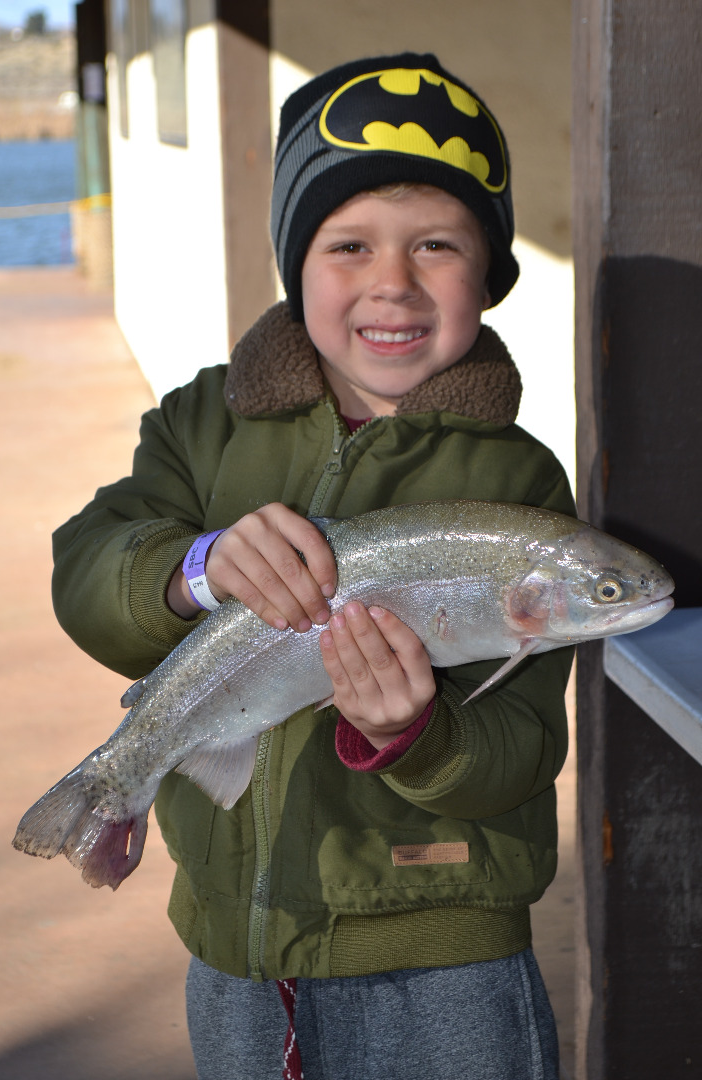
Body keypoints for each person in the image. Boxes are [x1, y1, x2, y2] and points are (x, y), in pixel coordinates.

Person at [52, 53, 574, 1080]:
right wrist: (193, 568)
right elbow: (87, 571)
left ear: (490, 271)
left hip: (446, 946)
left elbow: (523, 746)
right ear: (297, 265)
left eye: (438, 244)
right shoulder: (205, 424)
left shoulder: (521, 488)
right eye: (349, 245)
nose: (393, 282)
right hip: (234, 943)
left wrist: (416, 736)